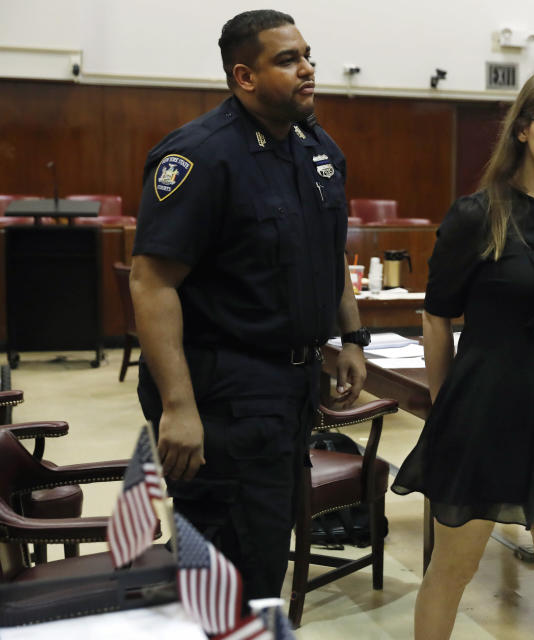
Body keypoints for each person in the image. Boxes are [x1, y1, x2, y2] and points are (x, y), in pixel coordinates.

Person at [129, 10, 368, 602]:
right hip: (224, 391)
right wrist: (179, 408)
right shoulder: (201, 156)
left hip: (291, 387)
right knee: (224, 572)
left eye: (308, 54)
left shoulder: (316, 147)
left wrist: (348, 337)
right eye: (288, 60)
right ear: (245, 76)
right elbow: (151, 283)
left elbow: (329, 249)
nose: (308, 69)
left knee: (264, 559)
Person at [392, 70, 534, 640]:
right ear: (522, 128)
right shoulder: (476, 215)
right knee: (453, 570)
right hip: (483, 413)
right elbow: (437, 318)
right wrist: (443, 414)